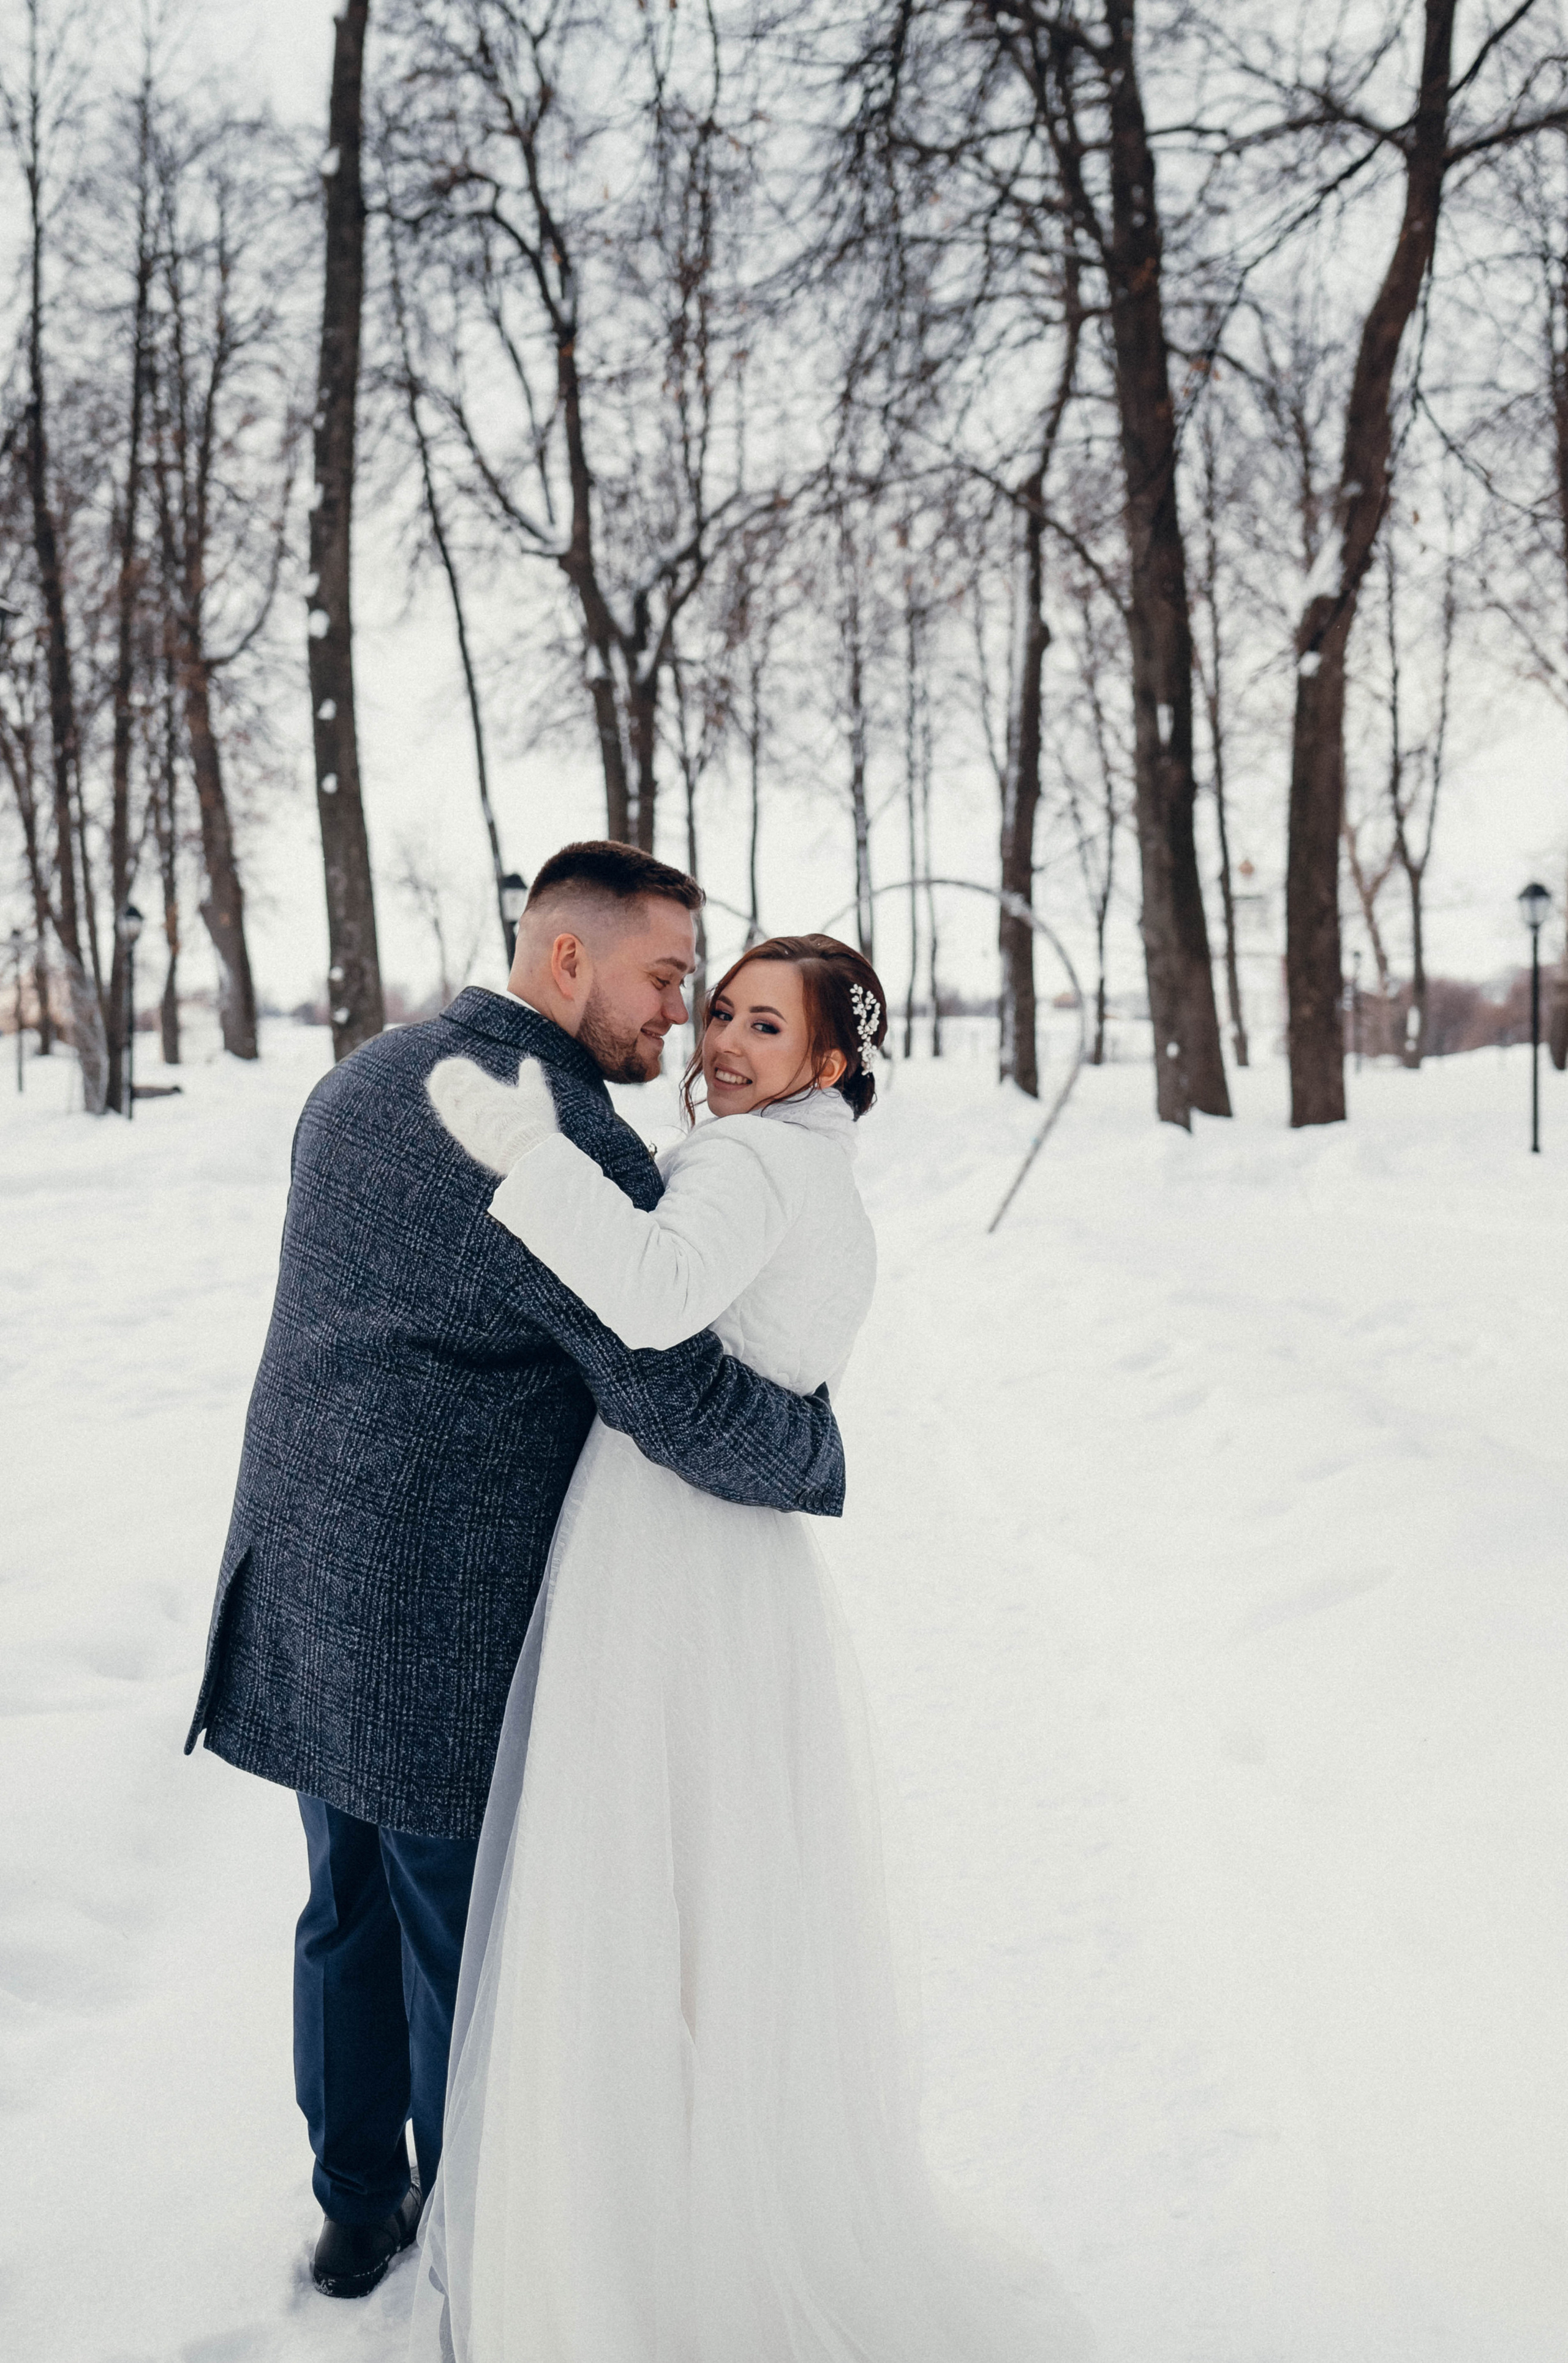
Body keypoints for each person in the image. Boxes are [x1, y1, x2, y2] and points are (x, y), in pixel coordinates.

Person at [410, 934, 1093, 2362]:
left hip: (659, 1554)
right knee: (716, 1912)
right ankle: (716, 2215)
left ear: (826, 1062)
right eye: (716, 1009)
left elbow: (653, 1301)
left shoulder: (740, 1164)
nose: (719, 1040)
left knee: (624, 1897)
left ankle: (623, 2262)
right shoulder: (821, 1172)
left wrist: (529, 1158)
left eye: (760, 1024)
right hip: (740, 1572)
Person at [183, 844, 846, 2301]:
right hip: (436, 1616)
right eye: (666, 978)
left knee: (343, 1910)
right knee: (460, 1948)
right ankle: (480, 2268)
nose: (677, 1019)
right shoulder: (555, 1140)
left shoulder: (367, 1075)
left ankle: (361, 2216)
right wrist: (815, 1453)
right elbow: (669, 1394)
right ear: (567, 961)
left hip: (304, 1566)